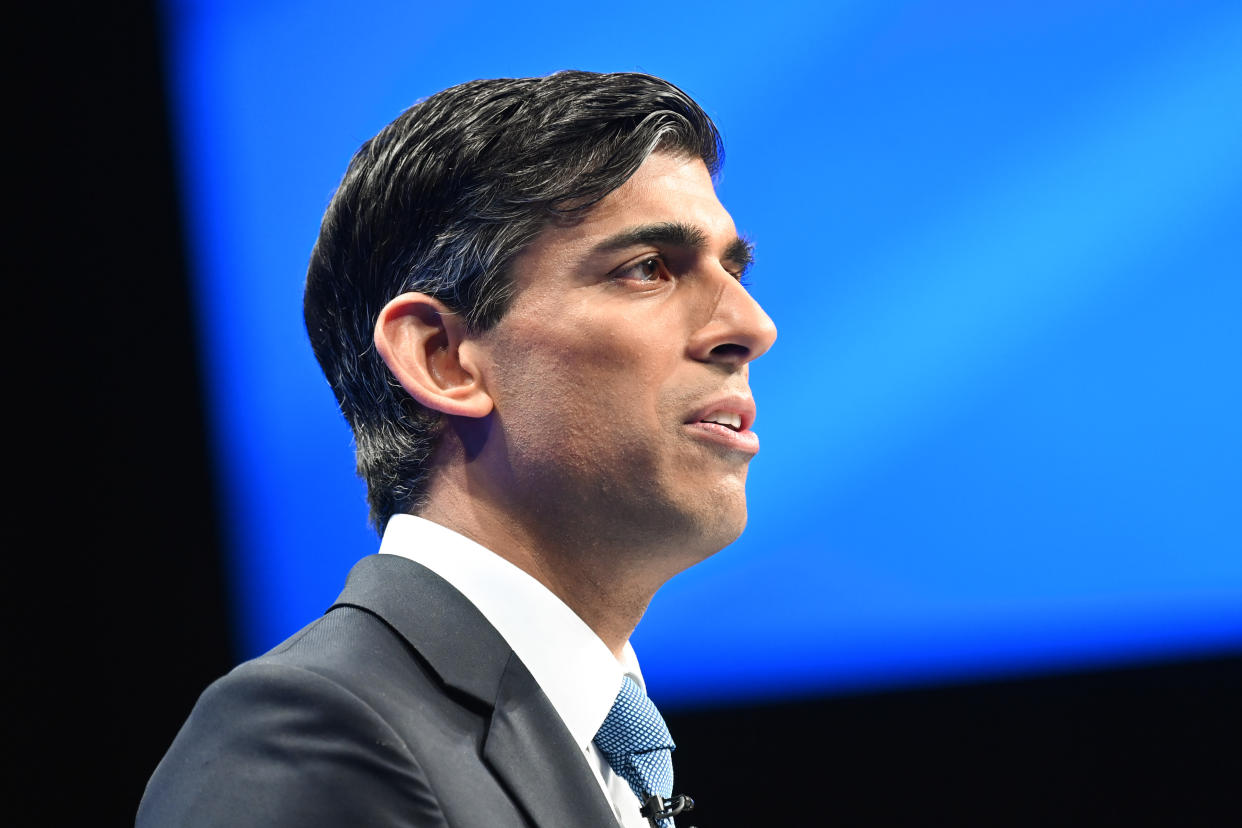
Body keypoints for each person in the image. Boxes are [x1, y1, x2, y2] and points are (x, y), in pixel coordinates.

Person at [137, 70, 777, 828]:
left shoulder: (602, 740)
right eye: (646, 269)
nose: (752, 326)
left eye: (732, 269)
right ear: (442, 357)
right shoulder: (308, 736)